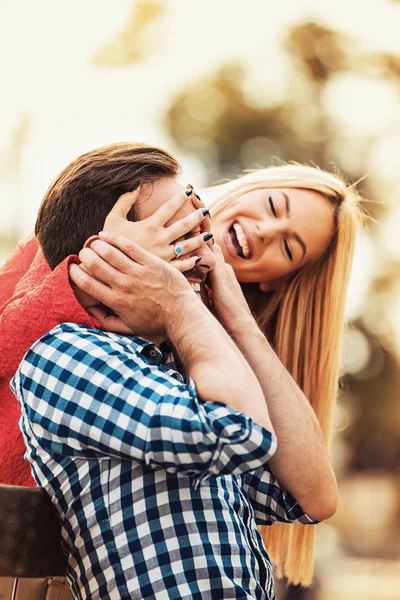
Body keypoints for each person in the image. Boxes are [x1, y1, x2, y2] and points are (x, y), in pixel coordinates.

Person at [0, 144, 360, 585]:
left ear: (276, 280)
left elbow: (314, 497)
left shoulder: (209, 343)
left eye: (288, 245)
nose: (267, 229)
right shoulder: (87, 227)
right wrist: (104, 268)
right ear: (246, 189)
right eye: (271, 206)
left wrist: (230, 319)